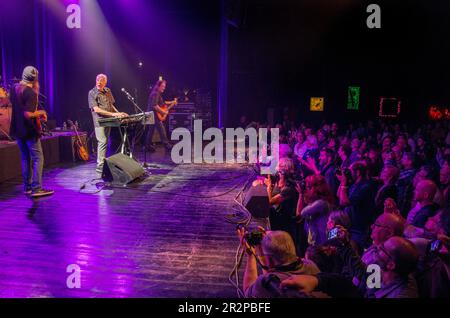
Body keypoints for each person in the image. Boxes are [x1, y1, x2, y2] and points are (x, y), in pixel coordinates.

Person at [281, 236, 420, 298]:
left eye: (383, 248)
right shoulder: (381, 270)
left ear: (391, 264)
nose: (377, 247)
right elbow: (360, 279)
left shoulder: (403, 294)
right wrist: (317, 281)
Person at [9, 66, 54, 197]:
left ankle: (27, 187)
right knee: (38, 158)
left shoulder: (14, 88)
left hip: (18, 129)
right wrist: (42, 112)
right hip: (29, 130)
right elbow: (28, 114)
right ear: (35, 78)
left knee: (25, 158)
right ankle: (37, 188)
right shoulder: (30, 92)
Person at [237, 229, 320, 298]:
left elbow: (248, 292)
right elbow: (274, 271)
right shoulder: (310, 265)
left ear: (270, 259)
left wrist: (251, 256)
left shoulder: (267, 283)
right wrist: (272, 241)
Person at [88, 74, 128, 173]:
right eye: (98, 80)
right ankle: (100, 165)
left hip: (108, 120)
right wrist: (114, 114)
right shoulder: (92, 93)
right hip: (99, 121)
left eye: (101, 80)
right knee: (102, 141)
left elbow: (111, 105)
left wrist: (118, 113)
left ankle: (103, 162)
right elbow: (96, 110)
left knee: (106, 142)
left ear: (105, 82)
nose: (99, 82)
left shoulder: (108, 91)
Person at [337, 162, 376, 251]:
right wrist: (342, 183)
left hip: (358, 229)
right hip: (351, 226)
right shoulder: (355, 184)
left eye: (350, 171)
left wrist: (344, 183)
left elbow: (344, 202)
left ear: (357, 172)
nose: (349, 174)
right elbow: (339, 195)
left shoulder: (365, 186)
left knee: (355, 252)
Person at [296, 175, 335, 246]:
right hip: (319, 241)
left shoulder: (321, 203)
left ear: (315, 189)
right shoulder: (319, 202)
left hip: (323, 243)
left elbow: (300, 213)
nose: (306, 190)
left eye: (308, 187)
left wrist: (301, 194)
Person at [145, 79, 176, 151]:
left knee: (151, 131)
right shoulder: (156, 94)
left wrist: (172, 102)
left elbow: (163, 103)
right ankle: (167, 145)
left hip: (150, 114)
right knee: (161, 129)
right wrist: (163, 112)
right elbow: (155, 106)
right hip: (153, 114)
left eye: (164, 86)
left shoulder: (156, 94)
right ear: (158, 86)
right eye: (162, 86)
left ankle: (147, 146)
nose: (164, 88)